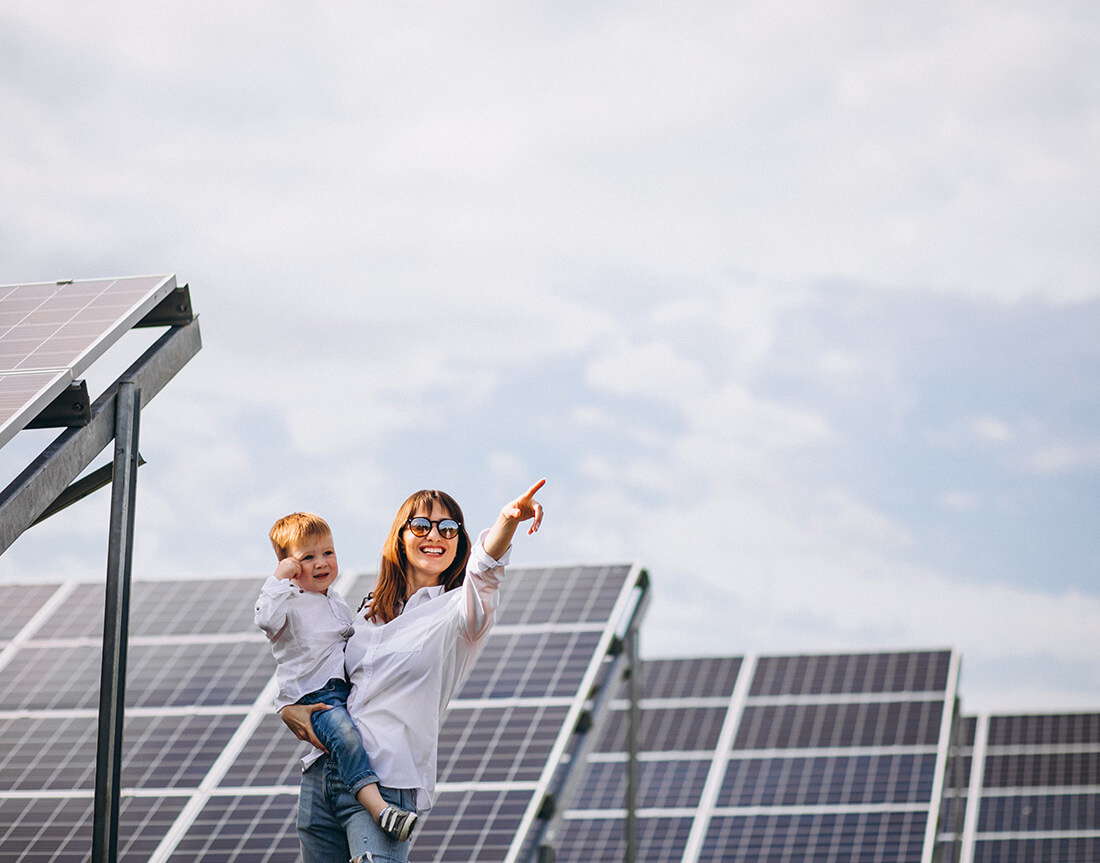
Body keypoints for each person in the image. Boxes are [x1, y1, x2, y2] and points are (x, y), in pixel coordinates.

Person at [280, 479, 546, 863]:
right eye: (422, 525)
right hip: (324, 773)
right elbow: (316, 667)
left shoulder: (460, 613)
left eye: (448, 528)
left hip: (388, 782)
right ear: (401, 537)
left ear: (459, 542)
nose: (435, 535)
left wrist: (507, 520)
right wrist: (289, 707)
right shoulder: (367, 610)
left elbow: (486, 572)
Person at [254, 512, 419, 842]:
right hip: (313, 697)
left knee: (353, 733)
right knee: (345, 737)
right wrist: (278, 579)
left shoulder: (336, 600)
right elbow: (265, 620)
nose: (321, 563)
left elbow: (354, 637)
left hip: (340, 691)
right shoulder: (287, 602)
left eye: (327, 553)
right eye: (308, 557)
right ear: (290, 565)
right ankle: (380, 810)